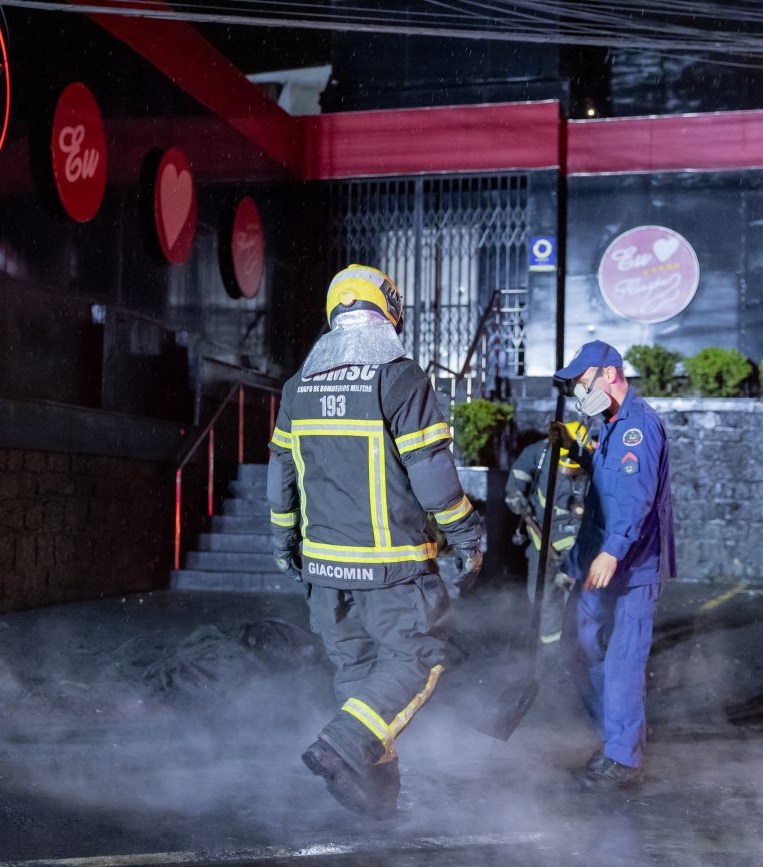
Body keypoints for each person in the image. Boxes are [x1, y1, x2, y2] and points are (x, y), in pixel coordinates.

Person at [266, 264, 485, 818]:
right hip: (392, 568)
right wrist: (466, 535)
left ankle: (375, 791)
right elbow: (430, 469)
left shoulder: (299, 386)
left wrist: (282, 540)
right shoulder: (399, 377)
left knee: (360, 673)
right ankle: (343, 746)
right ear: (389, 311)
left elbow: (281, 474)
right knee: (420, 657)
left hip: (323, 572)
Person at [552, 340, 674, 791]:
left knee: (622, 662)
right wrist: (575, 448)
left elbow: (634, 499)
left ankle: (623, 758)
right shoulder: (611, 425)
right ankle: (616, 738)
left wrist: (612, 551)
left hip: (629, 569)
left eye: (583, 382)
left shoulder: (637, 429)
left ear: (610, 374)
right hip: (600, 566)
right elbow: (606, 484)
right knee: (583, 653)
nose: (580, 393)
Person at [503, 421, 590, 645]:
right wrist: (515, 497)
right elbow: (515, 483)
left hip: (578, 538)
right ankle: (551, 644)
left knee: (580, 597)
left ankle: (578, 643)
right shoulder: (538, 453)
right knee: (540, 594)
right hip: (542, 538)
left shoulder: (592, 457)